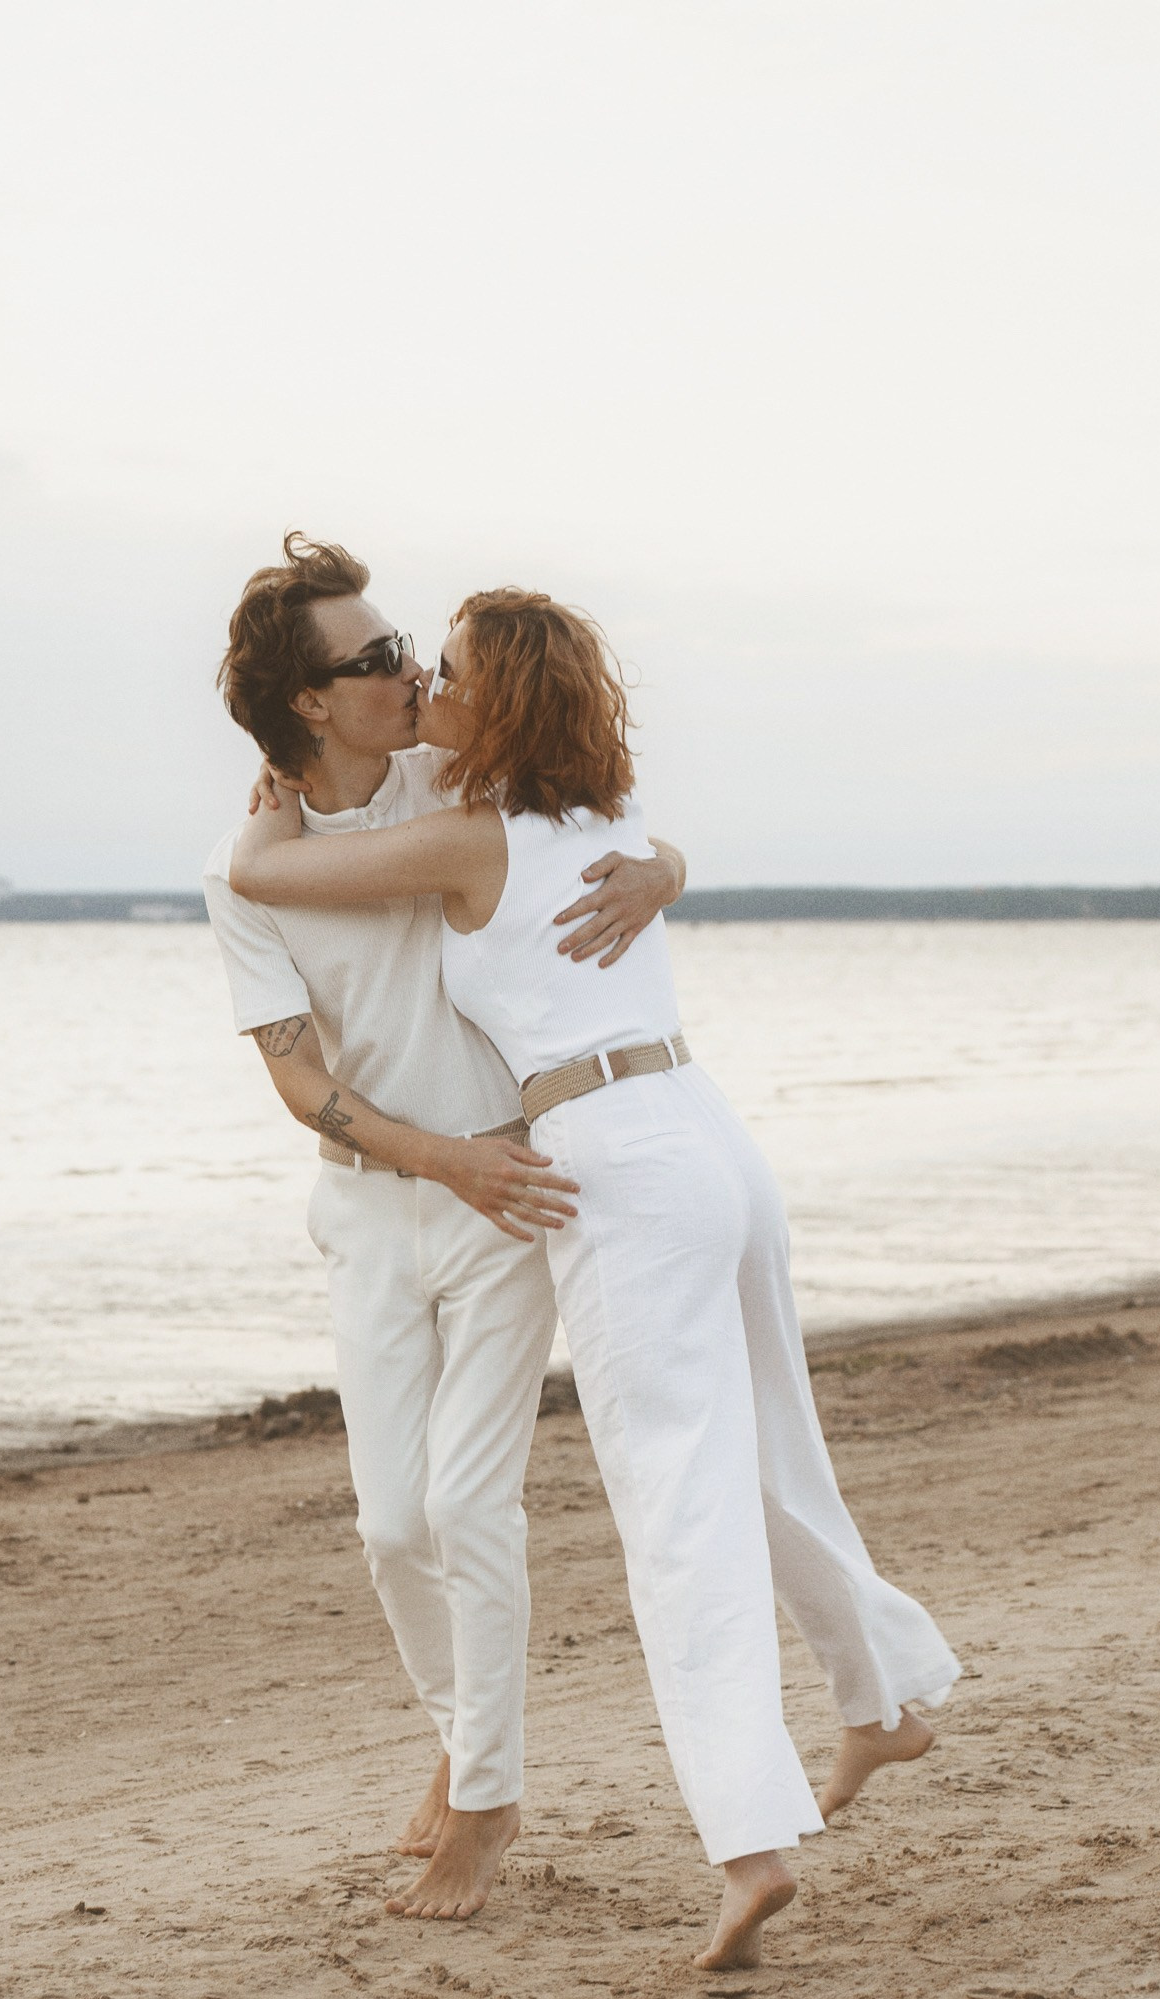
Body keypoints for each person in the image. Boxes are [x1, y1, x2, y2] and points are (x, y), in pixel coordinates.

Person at [230, 588, 961, 1970]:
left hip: (617, 1165)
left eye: (442, 671)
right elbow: (654, 848)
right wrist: (671, 867)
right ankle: (880, 1700)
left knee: (676, 1507)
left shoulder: (468, 835)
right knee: (760, 1450)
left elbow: (267, 878)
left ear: (498, 701)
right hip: (711, 1139)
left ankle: (750, 1845)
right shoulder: (602, 813)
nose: (424, 686)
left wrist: (267, 785)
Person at [204, 536, 686, 1922]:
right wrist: (434, 1162)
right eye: (375, 660)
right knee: (389, 1525)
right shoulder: (246, 865)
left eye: (407, 646)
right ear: (309, 702)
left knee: (470, 1507)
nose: (413, 671)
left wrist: (665, 872)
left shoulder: (458, 778)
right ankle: (459, 1740)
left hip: (509, 1203)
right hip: (375, 1212)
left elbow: (610, 822)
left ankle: (490, 1795)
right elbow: (300, 1078)